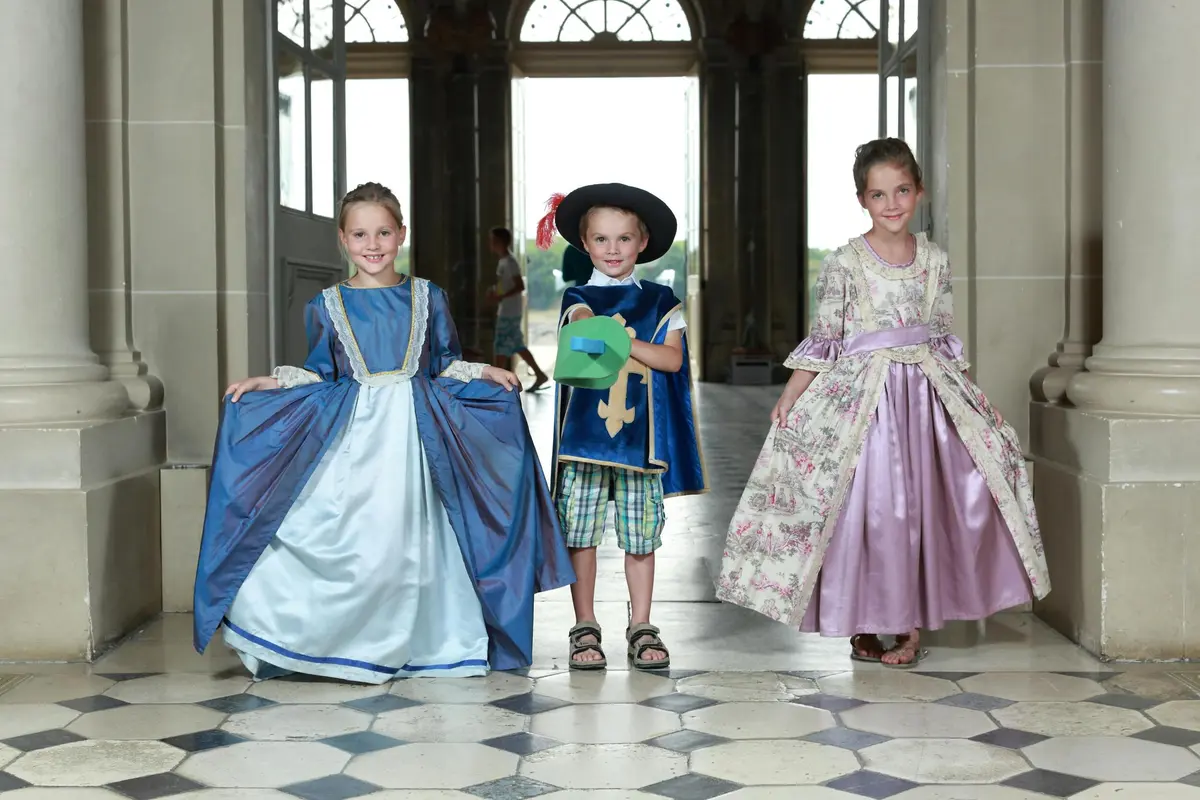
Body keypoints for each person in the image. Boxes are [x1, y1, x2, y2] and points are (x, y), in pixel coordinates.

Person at [192, 182, 574, 683]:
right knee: (353, 538)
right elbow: (323, 373)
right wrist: (272, 380)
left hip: (416, 439)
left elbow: (441, 363)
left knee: (409, 538)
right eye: (359, 234)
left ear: (401, 234)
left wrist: (483, 373)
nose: (372, 244)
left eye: (383, 232)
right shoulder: (326, 305)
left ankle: (420, 640)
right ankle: (329, 637)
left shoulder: (427, 296)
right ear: (342, 240)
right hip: (353, 440)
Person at [716, 139, 1050, 667]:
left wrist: (976, 401)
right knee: (871, 511)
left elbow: (943, 338)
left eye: (901, 191)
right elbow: (825, 336)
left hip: (926, 400)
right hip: (865, 402)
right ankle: (868, 619)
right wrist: (791, 394)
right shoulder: (845, 263)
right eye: (878, 194)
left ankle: (910, 627)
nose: (891, 204)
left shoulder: (935, 261)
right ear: (861, 200)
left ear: (919, 191)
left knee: (919, 509)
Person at [536, 184, 707, 671]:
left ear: (642, 242)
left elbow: (671, 360)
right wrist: (606, 329)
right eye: (602, 240)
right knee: (582, 533)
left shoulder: (660, 301)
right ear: (585, 244)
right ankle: (585, 624)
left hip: (640, 443)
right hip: (587, 441)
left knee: (640, 536)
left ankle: (641, 623)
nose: (613, 250)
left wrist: (621, 341)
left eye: (624, 239)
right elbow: (583, 334)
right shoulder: (579, 298)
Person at [487, 226, 549, 391]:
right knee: (516, 345)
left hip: (509, 312)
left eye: (492, 240)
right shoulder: (504, 262)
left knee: (501, 345)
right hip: (508, 310)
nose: (490, 243)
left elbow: (519, 285)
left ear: (499, 242)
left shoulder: (510, 263)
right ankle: (538, 374)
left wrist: (500, 296)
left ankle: (496, 383)